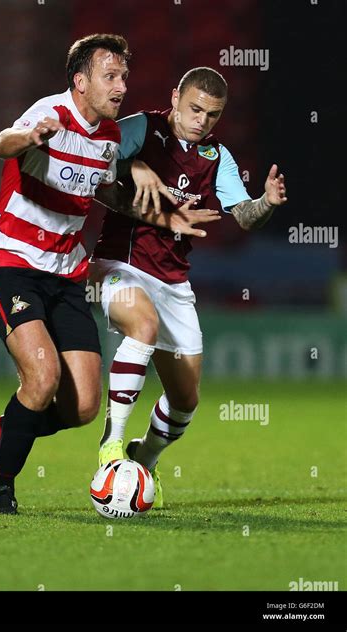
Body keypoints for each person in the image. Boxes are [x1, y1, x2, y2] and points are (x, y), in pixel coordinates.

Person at [0, 37, 220, 515]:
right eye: (111, 76)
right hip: (12, 266)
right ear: (80, 81)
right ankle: (0, 491)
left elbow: (106, 192)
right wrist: (29, 138)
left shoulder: (107, 136)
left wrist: (165, 218)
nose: (122, 86)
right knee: (42, 380)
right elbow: (1, 143)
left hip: (67, 274)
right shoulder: (51, 114)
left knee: (83, 406)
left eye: (124, 77)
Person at [92, 66, 287, 508]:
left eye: (213, 115)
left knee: (185, 402)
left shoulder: (218, 158)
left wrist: (267, 204)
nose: (202, 120)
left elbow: (243, 215)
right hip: (122, 262)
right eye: (195, 108)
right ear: (175, 95)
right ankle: (112, 446)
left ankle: (145, 458)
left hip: (174, 281)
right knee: (141, 327)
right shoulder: (143, 127)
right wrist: (136, 164)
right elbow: (96, 165)